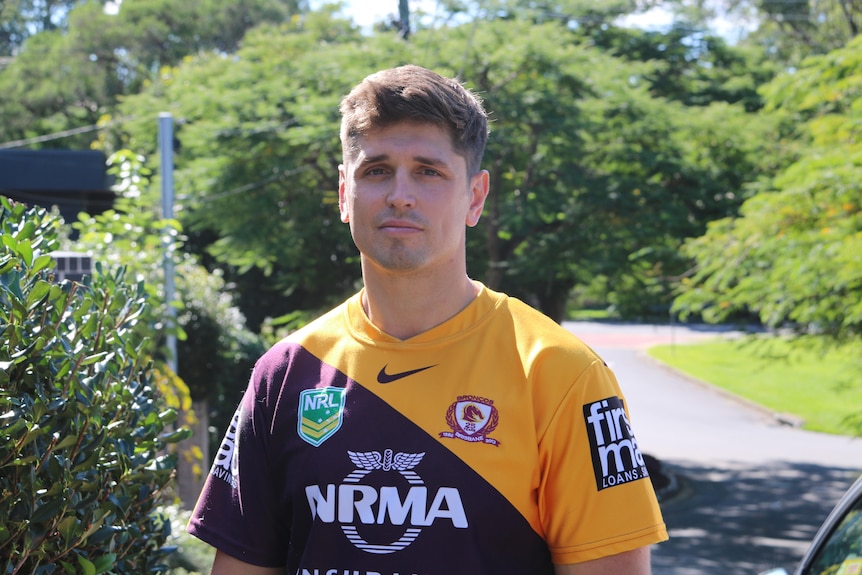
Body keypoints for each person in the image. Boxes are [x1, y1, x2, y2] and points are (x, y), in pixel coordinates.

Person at [188, 64, 668, 575]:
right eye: (376, 170)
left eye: (428, 171)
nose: (400, 194)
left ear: (475, 197)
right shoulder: (284, 374)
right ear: (345, 196)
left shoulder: (563, 374)